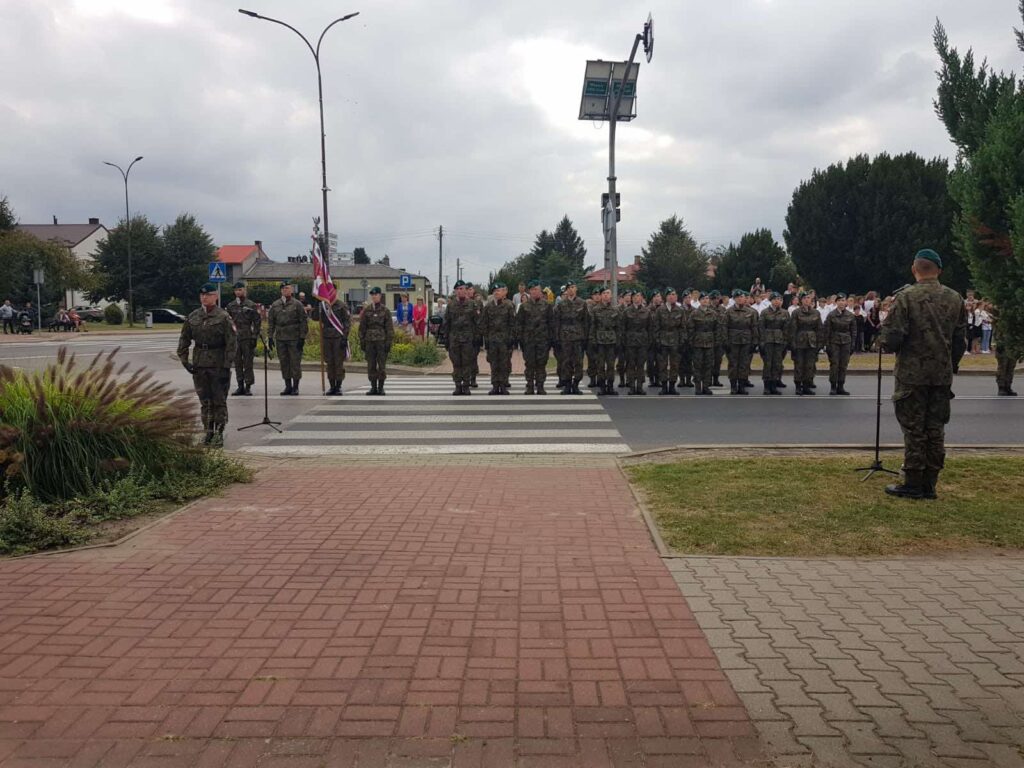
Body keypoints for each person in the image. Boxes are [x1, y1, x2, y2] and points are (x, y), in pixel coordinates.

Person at [880, 249, 967, 500]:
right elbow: (960, 340)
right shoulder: (955, 298)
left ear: (914, 269)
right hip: (941, 375)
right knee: (935, 428)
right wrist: (951, 365)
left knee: (914, 429)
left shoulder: (906, 297)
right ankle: (930, 482)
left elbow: (891, 340)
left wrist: (884, 339)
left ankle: (913, 482)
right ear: (938, 270)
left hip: (912, 375)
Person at [177, 283, 236, 446]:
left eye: (208, 295)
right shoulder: (193, 316)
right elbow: (184, 339)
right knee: (205, 401)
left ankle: (219, 433)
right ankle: (208, 432)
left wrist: (227, 365)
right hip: (199, 364)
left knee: (219, 400)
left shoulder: (224, 317)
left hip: (218, 364)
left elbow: (232, 343)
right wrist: (184, 360)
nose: (204, 297)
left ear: (215, 296)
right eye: (202, 295)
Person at [267, 281, 309, 396]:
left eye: (287, 288)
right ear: (281, 290)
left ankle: (295, 387)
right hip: (280, 338)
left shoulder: (297, 304)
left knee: (295, 362)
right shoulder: (275, 305)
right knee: (284, 362)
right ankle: (288, 386)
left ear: (291, 290)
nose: (285, 290)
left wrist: (302, 337)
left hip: (294, 337)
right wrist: (270, 337)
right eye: (283, 288)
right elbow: (271, 322)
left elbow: (303, 322)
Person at [444, 280, 480, 395]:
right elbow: (446, 323)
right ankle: (458, 385)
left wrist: (477, 339)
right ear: (455, 291)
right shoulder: (450, 305)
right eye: (458, 289)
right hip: (454, 339)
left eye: (462, 289)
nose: (460, 291)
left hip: (468, 340)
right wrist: (445, 339)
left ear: (466, 290)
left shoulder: (472, 304)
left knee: (467, 363)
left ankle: (466, 386)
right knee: (456, 363)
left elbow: (477, 323)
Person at [225, 281, 261, 397]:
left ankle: (248, 386)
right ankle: (240, 385)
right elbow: (228, 323)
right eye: (236, 290)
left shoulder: (251, 305)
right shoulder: (230, 306)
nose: (238, 292)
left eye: (240, 290)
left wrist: (254, 336)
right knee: (237, 363)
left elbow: (257, 321)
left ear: (244, 290)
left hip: (247, 337)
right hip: (235, 338)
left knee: (248, 363)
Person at [516, 280, 553, 394]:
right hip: (529, 341)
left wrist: (551, 340)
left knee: (541, 364)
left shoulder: (547, 305)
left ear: (541, 291)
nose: (534, 292)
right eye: (532, 290)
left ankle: (540, 385)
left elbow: (551, 323)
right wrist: (520, 339)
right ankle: (530, 385)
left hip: (543, 340)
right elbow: (519, 324)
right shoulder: (524, 306)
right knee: (530, 364)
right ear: (529, 291)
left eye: (537, 289)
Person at [552, 281, 588, 395]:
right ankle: (567, 385)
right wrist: (556, 337)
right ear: (566, 291)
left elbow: (586, 321)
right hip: (565, 336)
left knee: (578, 362)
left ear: (576, 289)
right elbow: (557, 322)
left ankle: (576, 384)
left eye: (573, 287)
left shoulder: (582, 303)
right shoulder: (561, 304)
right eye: (569, 288)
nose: (571, 290)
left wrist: (586, 337)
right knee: (566, 362)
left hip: (578, 336)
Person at [480, 282, 515, 395]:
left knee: (504, 363)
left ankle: (503, 385)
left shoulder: (508, 306)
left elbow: (512, 324)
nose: (496, 293)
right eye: (495, 291)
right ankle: (495, 385)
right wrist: (486, 339)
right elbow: (484, 324)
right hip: (492, 340)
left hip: (504, 340)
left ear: (503, 293)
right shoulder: (488, 307)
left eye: (498, 291)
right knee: (494, 363)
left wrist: (511, 338)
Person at [359, 287, 394, 395]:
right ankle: (373, 387)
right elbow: (362, 327)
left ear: (380, 296)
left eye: (376, 295)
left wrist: (388, 342)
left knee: (381, 365)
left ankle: (381, 387)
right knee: (371, 365)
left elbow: (389, 328)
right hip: (370, 342)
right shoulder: (367, 310)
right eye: (372, 295)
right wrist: (362, 340)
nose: (374, 297)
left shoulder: (385, 311)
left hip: (381, 342)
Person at [313, 296, 352, 396]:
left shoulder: (341, 305)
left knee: (338, 362)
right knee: (329, 362)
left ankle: (338, 386)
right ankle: (332, 386)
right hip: (326, 337)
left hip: (338, 337)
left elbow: (347, 322)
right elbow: (315, 317)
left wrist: (345, 336)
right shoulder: (323, 305)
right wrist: (317, 305)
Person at [724, 290, 760, 395]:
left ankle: (742, 386)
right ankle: (733, 386)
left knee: (744, 364)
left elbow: (754, 327)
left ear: (745, 299)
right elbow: (724, 327)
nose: (740, 299)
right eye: (738, 297)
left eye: (742, 297)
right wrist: (725, 342)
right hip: (733, 340)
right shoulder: (728, 311)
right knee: (733, 364)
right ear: (734, 299)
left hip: (746, 340)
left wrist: (755, 342)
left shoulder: (751, 312)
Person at [652, 287, 687, 395]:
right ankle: (663, 386)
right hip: (663, 340)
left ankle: (672, 386)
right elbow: (656, 327)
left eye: (674, 294)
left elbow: (683, 327)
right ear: (666, 297)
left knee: (674, 365)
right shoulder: (660, 310)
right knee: (662, 365)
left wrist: (682, 342)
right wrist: (657, 341)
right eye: (670, 294)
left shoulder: (680, 310)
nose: (672, 297)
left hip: (675, 341)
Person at [588, 287, 620, 396]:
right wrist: (592, 341)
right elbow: (592, 326)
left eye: (608, 293)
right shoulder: (596, 310)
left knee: (611, 365)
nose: (606, 295)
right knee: (600, 365)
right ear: (601, 296)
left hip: (611, 340)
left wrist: (618, 341)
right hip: (599, 341)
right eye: (604, 293)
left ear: (611, 296)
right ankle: (602, 387)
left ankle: (610, 386)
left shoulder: (615, 310)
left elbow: (618, 327)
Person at [790, 292, 823, 395]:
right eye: (804, 298)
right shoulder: (796, 312)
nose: (807, 300)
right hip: (800, 341)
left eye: (808, 298)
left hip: (812, 342)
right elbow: (792, 329)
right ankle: (798, 386)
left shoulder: (816, 313)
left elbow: (819, 329)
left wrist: (820, 343)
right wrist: (792, 344)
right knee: (799, 364)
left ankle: (806, 385)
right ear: (801, 300)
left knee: (810, 365)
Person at [824, 294, 855, 396]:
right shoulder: (831, 315)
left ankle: (841, 386)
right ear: (836, 302)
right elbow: (827, 331)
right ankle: (833, 386)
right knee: (835, 365)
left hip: (846, 342)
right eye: (839, 300)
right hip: (834, 342)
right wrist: (827, 345)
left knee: (843, 365)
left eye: (843, 300)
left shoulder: (850, 315)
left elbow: (853, 331)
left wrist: (853, 344)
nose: (842, 302)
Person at [688, 292, 719, 396]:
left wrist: (716, 341)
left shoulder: (713, 313)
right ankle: (698, 387)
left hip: (710, 342)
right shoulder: (694, 313)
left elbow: (717, 329)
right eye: (703, 299)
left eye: (707, 298)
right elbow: (690, 329)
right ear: (700, 301)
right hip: (698, 343)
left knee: (708, 365)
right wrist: (691, 342)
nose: (706, 300)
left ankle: (706, 386)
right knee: (697, 366)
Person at [759, 292, 789, 395]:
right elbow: (761, 327)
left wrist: (785, 341)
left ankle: (774, 385)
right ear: (771, 300)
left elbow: (786, 329)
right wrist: (761, 341)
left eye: (780, 299)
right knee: (768, 363)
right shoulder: (764, 312)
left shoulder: (785, 313)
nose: (778, 301)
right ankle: (767, 386)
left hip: (779, 341)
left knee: (777, 363)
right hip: (768, 340)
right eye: (775, 299)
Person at [623, 290, 652, 395]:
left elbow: (650, 328)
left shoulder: (647, 311)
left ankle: (639, 386)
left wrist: (649, 341)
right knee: (631, 364)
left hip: (642, 341)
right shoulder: (627, 311)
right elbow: (623, 327)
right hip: (630, 341)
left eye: (638, 296)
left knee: (640, 365)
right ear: (632, 298)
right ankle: (631, 386)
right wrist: (624, 341)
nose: (636, 298)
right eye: (634, 296)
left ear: (642, 298)